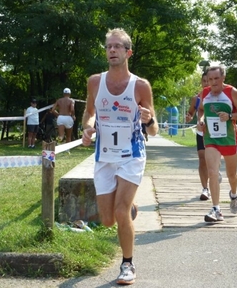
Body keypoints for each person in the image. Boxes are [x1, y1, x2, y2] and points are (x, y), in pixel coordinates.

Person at [81, 28, 158, 285]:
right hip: (104, 155)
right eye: (108, 47)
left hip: (131, 154)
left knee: (120, 212)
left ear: (128, 52)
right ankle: (130, 206)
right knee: (107, 220)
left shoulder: (140, 85)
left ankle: (127, 264)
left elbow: (154, 128)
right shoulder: (95, 81)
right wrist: (88, 127)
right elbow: (89, 112)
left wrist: (148, 120)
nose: (111, 50)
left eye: (117, 47)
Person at [197, 66, 237, 222]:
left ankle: (233, 194)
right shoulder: (204, 93)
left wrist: (230, 115)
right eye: (210, 79)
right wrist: (200, 120)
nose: (213, 83)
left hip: (229, 139)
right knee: (212, 172)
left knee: (231, 175)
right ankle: (216, 209)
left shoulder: (232, 92)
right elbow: (200, 110)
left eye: (216, 79)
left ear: (223, 78)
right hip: (211, 138)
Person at [186, 71, 222, 201]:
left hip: (216, 133)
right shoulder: (197, 99)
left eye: (209, 80)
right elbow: (191, 113)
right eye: (204, 81)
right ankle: (205, 189)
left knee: (213, 161)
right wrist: (189, 117)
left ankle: (215, 172)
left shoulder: (219, 96)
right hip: (201, 132)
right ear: (201, 82)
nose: (207, 83)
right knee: (202, 159)